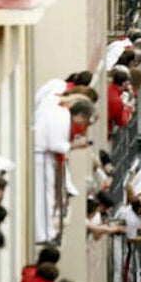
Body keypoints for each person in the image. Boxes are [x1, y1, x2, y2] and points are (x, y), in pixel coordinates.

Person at [34, 94, 95, 244]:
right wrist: (76, 145)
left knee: (47, 198)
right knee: (44, 199)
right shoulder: (62, 117)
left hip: (44, 155)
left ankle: (46, 233)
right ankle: (43, 235)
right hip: (42, 155)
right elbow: (55, 144)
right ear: (80, 115)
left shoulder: (60, 113)